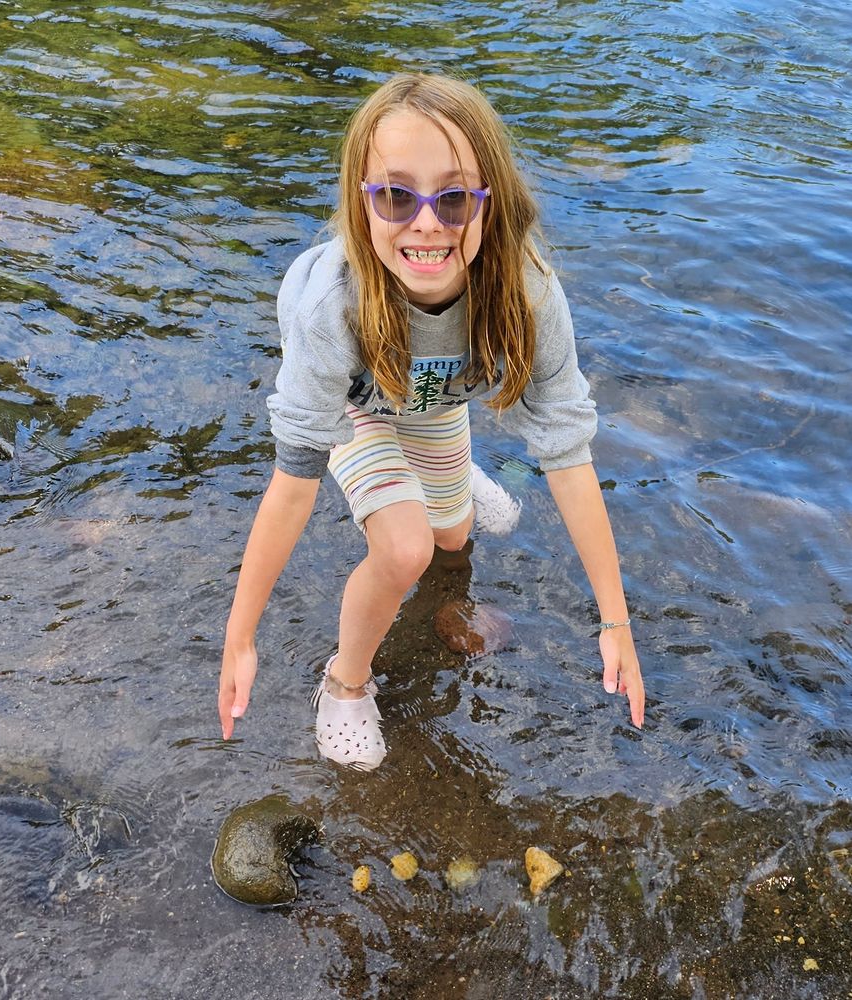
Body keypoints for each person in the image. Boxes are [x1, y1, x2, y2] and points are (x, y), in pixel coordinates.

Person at [218, 73, 645, 769]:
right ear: (361, 206)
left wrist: (615, 619)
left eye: (452, 197)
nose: (425, 222)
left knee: (454, 538)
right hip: (356, 407)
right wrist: (241, 634)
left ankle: (457, 482)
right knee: (407, 548)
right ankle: (345, 683)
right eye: (394, 195)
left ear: (489, 203)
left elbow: (567, 453)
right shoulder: (332, 308)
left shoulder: (529, 293)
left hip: (434, 400)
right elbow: (292, 480)